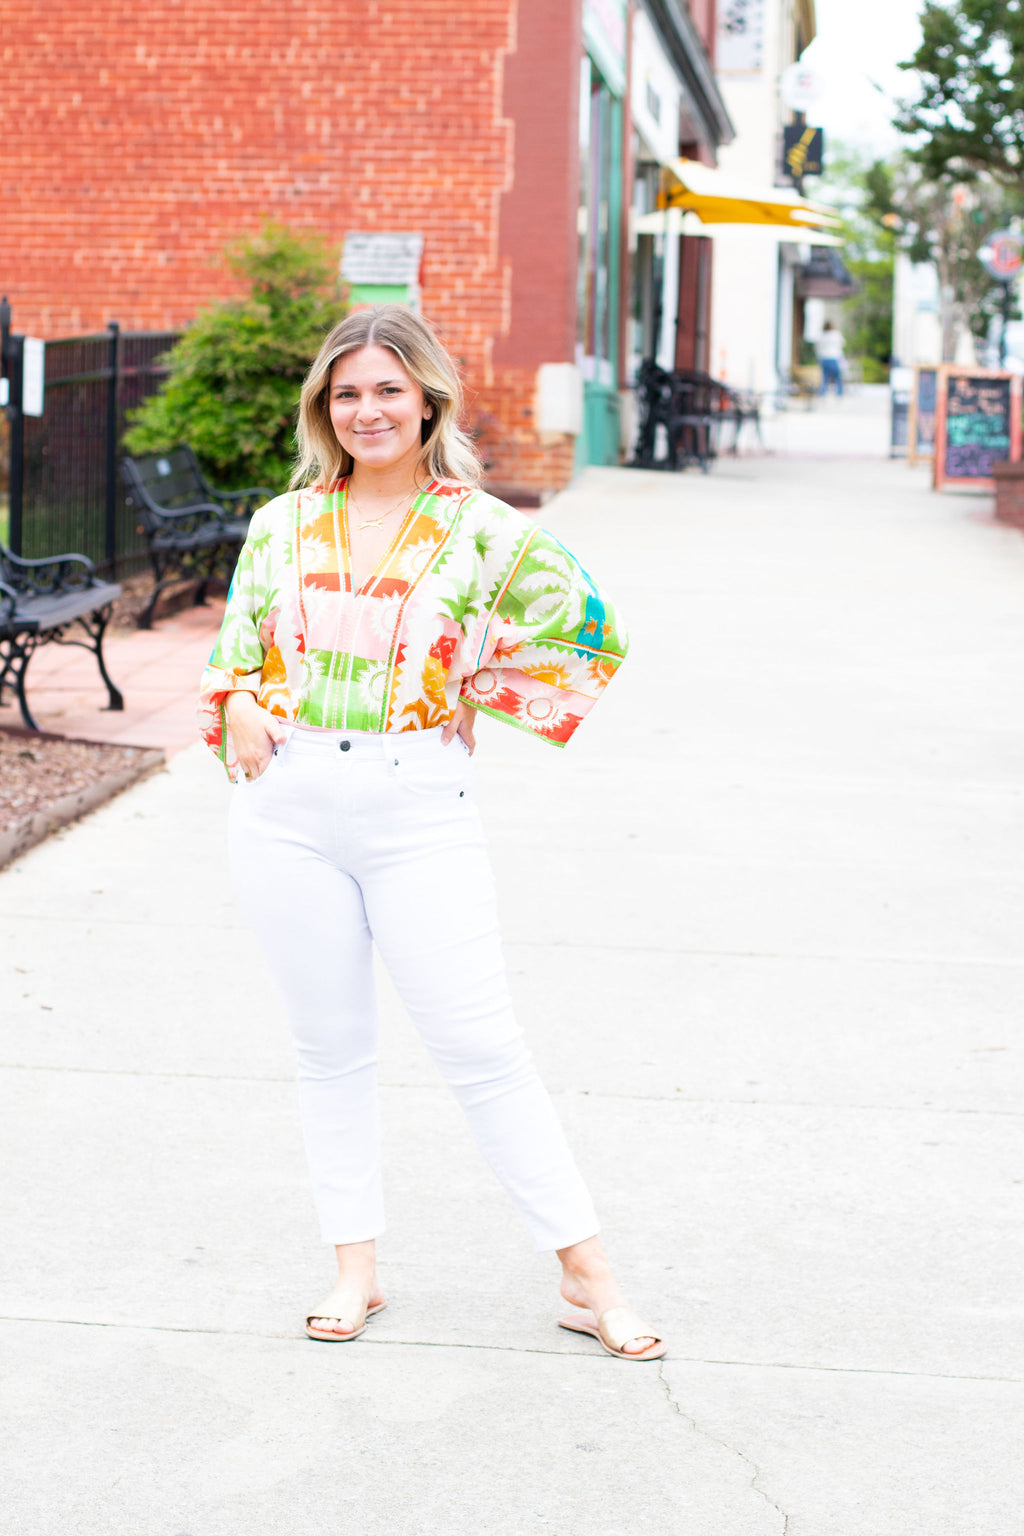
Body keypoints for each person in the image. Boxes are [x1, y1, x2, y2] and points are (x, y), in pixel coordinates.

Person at [197, 305, 665, 1362]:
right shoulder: (283, 522)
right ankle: (354, 1268)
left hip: (416, 807)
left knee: (480, 1045)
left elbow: (590, 629)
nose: (367, 410)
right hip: (287, 808)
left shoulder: (481, 528)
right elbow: (233, 646)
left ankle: (586, 1275)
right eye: (347, 392)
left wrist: (483, 687)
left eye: (387, 390)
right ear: (327, 406)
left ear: (426, 401)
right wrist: (236, 704)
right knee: (330, 1048)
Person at [816, 320, 845, 395]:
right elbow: (843, 343)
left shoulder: (822, 335)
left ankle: (822, 393)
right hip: (834, 358)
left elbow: (817, 348)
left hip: (824, 358)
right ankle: (839, 393)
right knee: (837, 377)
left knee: (824, 378)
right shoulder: (836, 334)